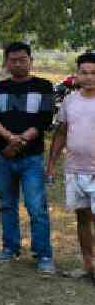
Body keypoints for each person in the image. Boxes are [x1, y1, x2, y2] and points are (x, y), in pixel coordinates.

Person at [0, 42, 55, 274]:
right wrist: (9, 138)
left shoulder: (44, 86)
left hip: (32, 159)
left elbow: (44, 119)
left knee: (36, 207)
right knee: (7, 205)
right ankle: (10, 247)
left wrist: (22, 140)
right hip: (3, 156)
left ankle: (43, 254)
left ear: (30, 61)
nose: (18, 63)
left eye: (22, 59)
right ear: (6, 62)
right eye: (13, 60)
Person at [48, 53, 95, 281]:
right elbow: (62, 133)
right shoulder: (70, 100)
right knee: (83, 217)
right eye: (84, 72)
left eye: (94, 73)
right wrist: (51, 164)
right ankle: (89, 265)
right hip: (75, 168)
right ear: (76, 75)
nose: (89, 77)